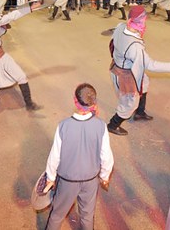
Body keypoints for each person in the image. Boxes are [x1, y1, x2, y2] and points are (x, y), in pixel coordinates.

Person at [107, 5, 170, 135]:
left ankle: (139, 112)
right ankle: (113, 124)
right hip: (124, 76)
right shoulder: (135, 46)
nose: (145, 24)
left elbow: (113, 35)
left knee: (144, 83)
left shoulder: (121, 26)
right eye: (143, 21)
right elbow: (150, 64)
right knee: (128, 104)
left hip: (128, 68)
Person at [43, 83, 114, 229]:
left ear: (75, 101)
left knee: (57, 214)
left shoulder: (63, 125)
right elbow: (106, 156)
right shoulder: (101, 125)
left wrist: (50, 178)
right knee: (87, 215)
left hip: (68, 180)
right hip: (90, 180)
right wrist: (105, 176)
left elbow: (54, 157)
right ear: (94, 102)